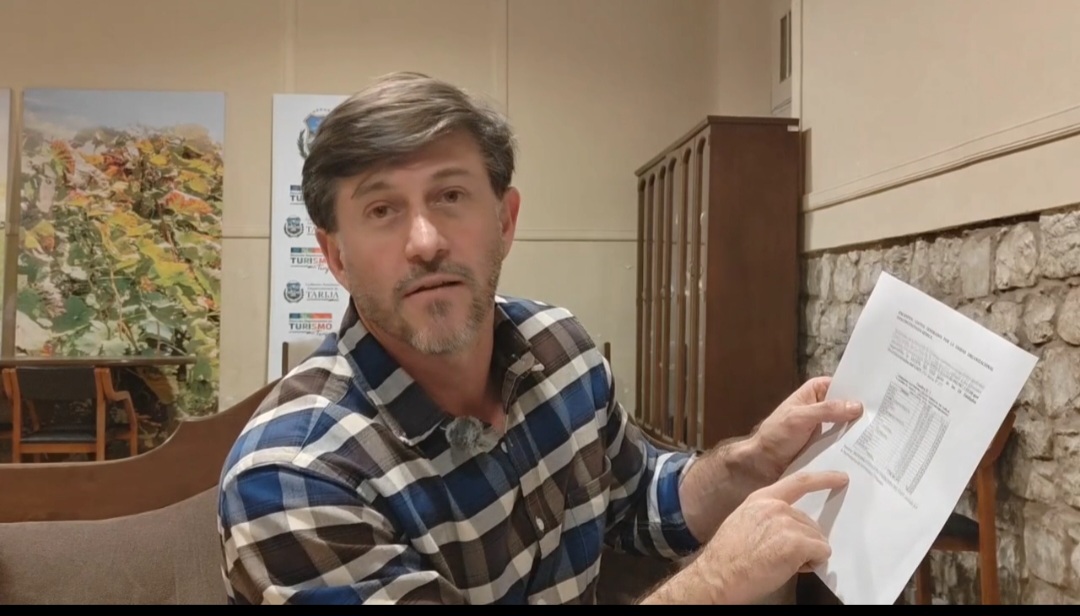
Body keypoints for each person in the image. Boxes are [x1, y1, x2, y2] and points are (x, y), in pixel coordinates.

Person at [216, 71, 863, 605]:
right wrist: (714, 585)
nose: (425, 242)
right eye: (382, 210)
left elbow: (639, 499)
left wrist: (753, 460)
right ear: (336, 256)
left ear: (505, 220)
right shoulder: (293, 479)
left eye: (450, 195)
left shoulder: (560, 350)